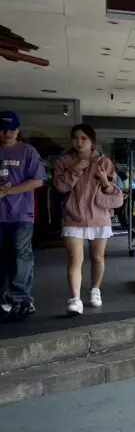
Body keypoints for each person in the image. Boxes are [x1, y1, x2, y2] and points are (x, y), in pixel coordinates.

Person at [53, 123, 123, 315]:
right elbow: (60, 187)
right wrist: (75, 169)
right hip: (73, 217)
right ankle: (75, 299)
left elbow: (113, 193)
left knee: (97, 257)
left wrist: (103, 180)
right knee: (75, 259)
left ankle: (95, 289)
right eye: (76, 138)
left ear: (92, 141)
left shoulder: (104, 162)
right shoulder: (64, 161)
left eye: (84, 138)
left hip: (99, 216)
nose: (79, 142)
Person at [0, 111, 45, 321]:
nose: (6, 133)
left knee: (21, 255)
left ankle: (22, 299)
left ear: (18, 130)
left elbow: (38, 181)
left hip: (21, 214)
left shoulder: (27, 151)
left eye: (10, 129)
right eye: (2, 129)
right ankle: (3, 297)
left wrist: (8, 191)